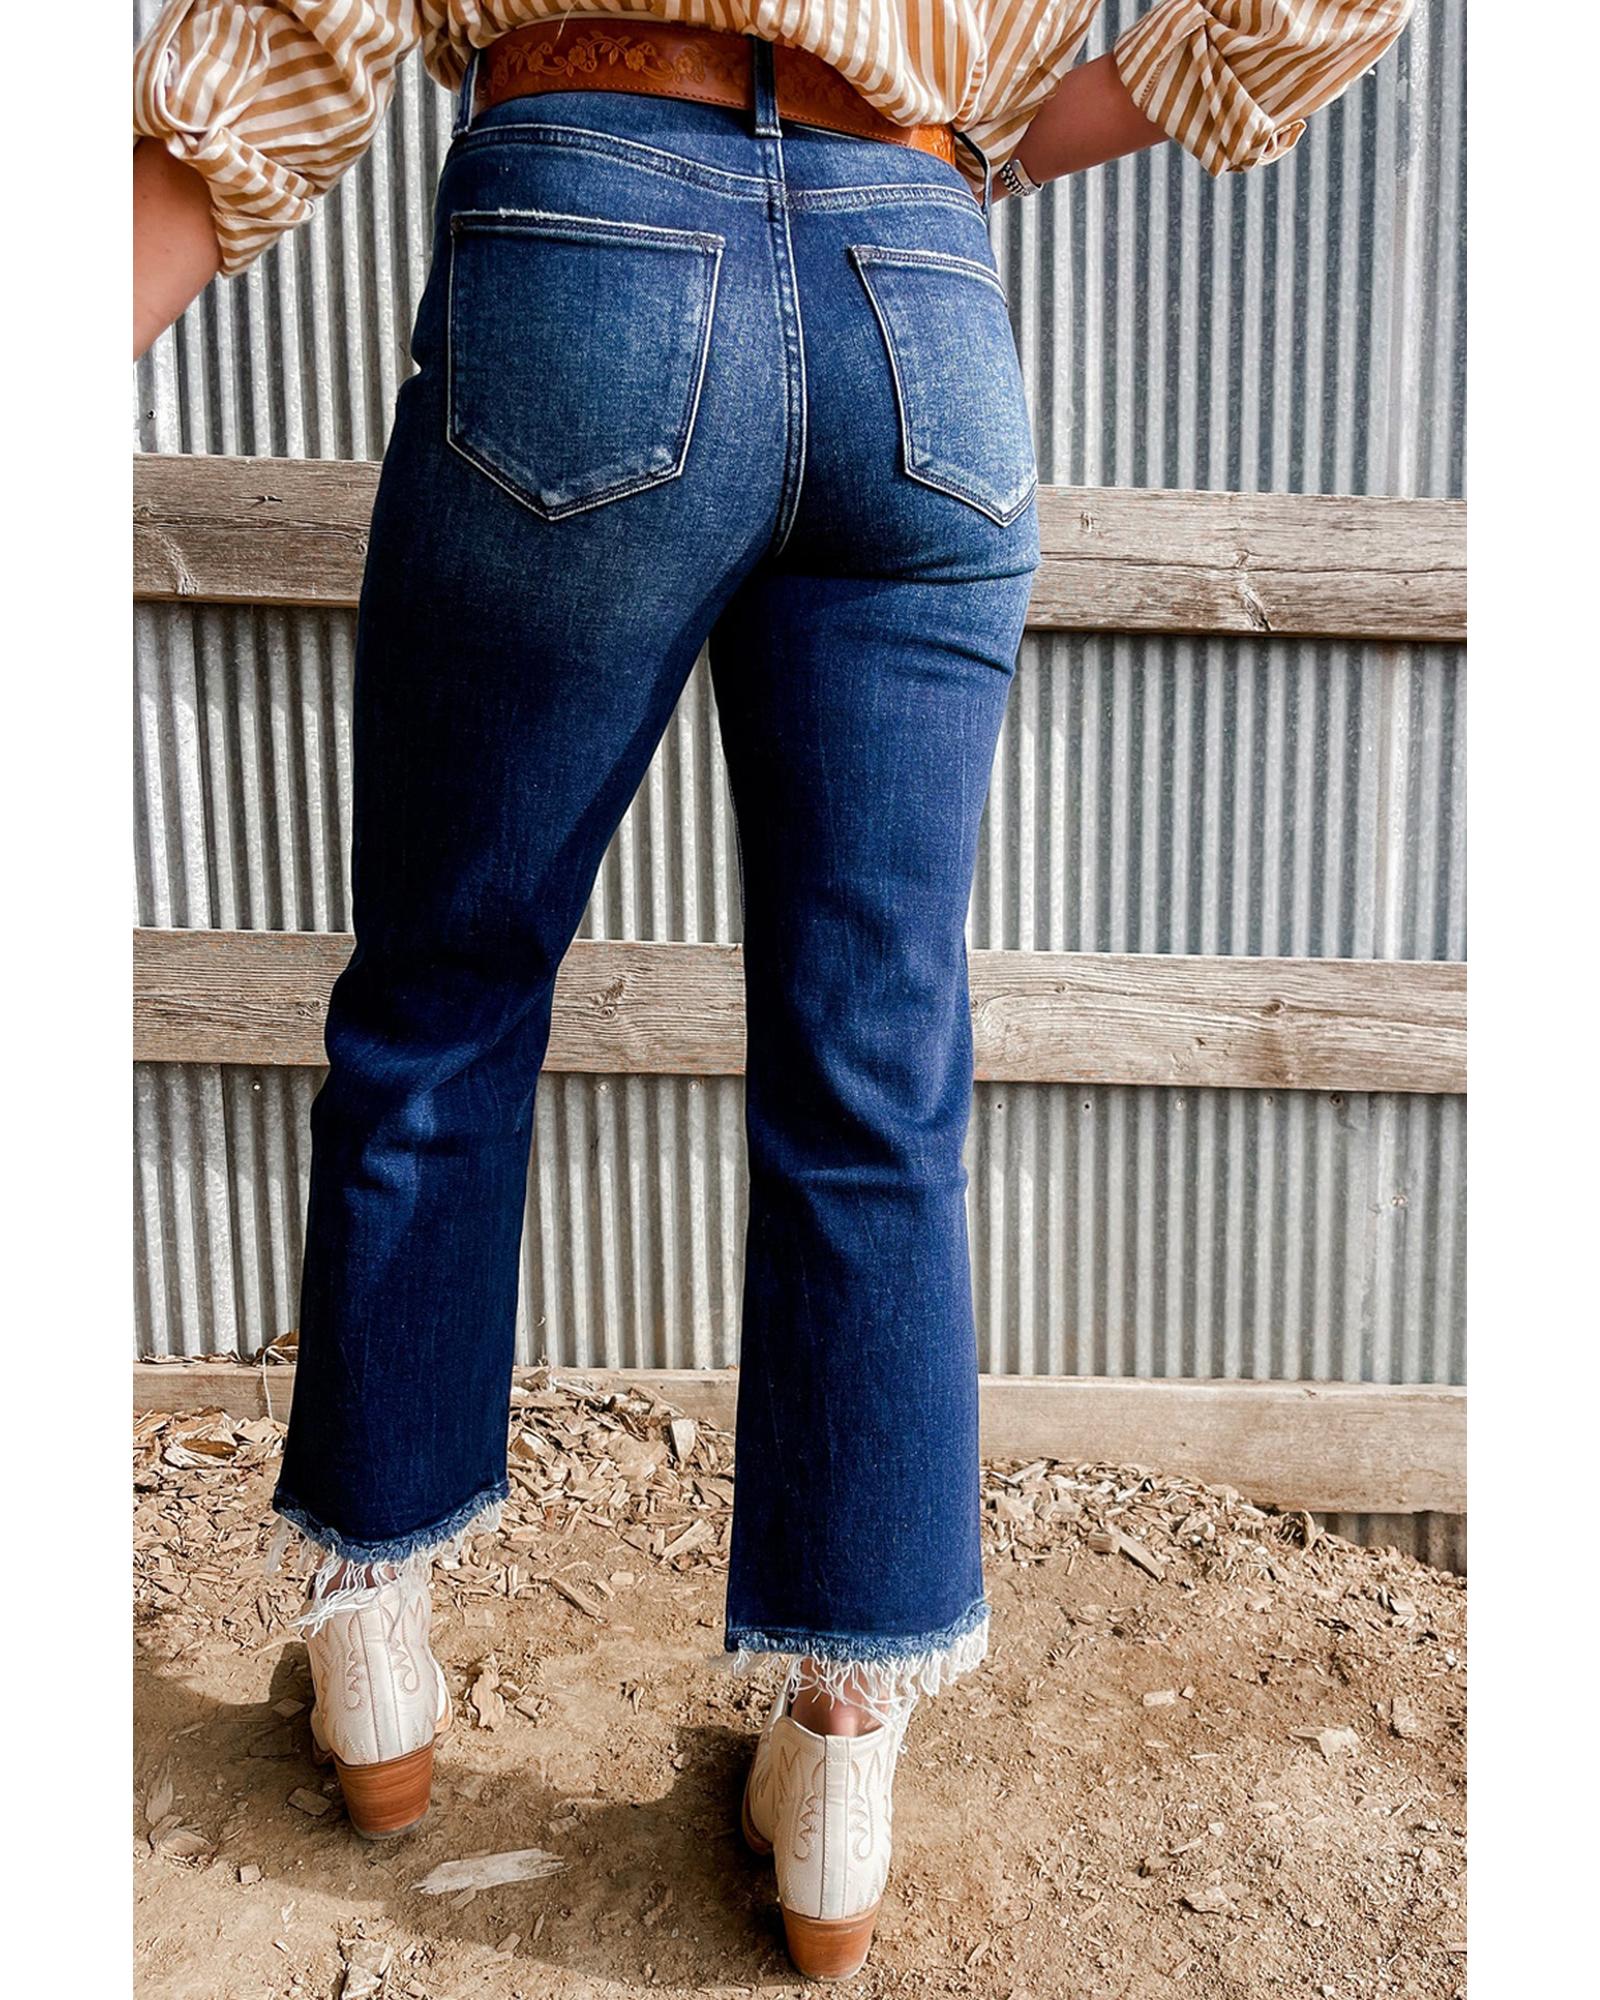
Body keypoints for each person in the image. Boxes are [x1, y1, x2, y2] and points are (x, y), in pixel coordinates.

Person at [133, 1, 1415, 1979]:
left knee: (445, 994)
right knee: (874, 1055)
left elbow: (294, 36)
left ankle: (374, 1655)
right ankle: (838, 1761)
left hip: (585, 240)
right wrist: (997, 126)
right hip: (919, 282)